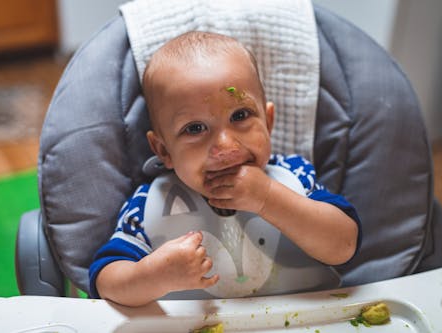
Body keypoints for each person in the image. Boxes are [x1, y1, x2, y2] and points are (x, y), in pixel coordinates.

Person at [89, 31, 361, 306]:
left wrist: (268, 197)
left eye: (240, 115)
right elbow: (105, 283)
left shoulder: (295, 177)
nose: (225, 144)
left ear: (268, 122)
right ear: (163, 150)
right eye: (195, 128)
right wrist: (154, 276)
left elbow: (345, 246)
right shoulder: (152, 204)